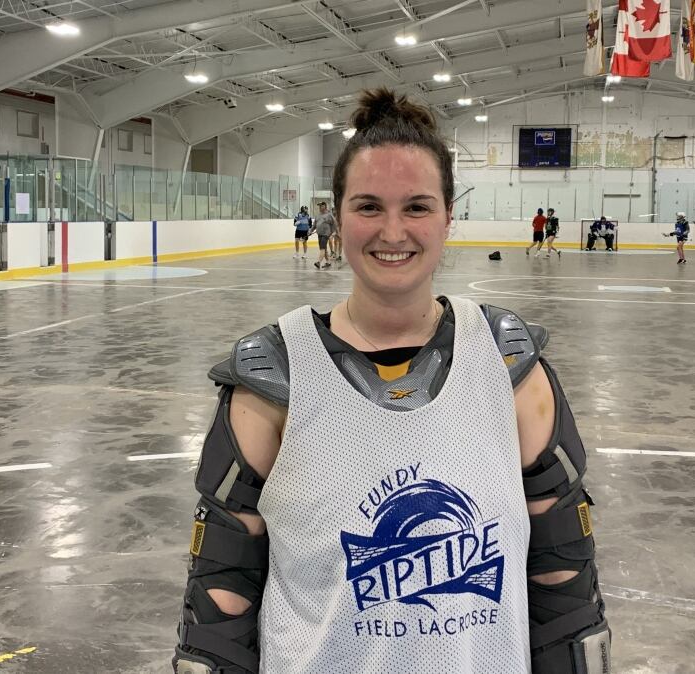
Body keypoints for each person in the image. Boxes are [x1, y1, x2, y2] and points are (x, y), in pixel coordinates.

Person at [172, 87, 610, 674]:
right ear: (338, 214)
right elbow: (222, 593)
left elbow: (563, 576)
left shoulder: (509, 364)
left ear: (449, 217)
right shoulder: (274, 373)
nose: (393, 231)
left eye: (418, 207)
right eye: (369, 206)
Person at [309, 201, 336, 269]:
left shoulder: (329, 215)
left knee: (322, 248)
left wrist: (333, 232)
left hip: (326, 234)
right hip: (320, 234)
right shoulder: (318, 215)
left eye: (321, 206)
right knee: (324, 249)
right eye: (319, 206)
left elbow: (334, 224)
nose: (320, 207)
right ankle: (328, 262)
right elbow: (314, 225)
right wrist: (310, 231)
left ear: (325, 206)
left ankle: (318, 262)